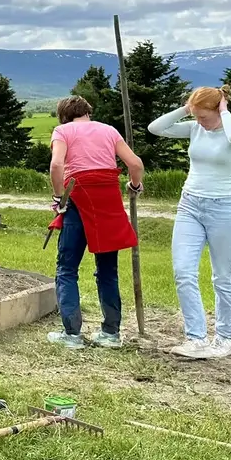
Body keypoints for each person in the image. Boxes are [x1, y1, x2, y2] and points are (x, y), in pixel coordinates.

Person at [148, 85, 231, 360]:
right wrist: (188, 108)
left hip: (223, 208)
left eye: (203, 117)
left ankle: (225, 339)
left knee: (223, 277)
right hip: (189, 205)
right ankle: (196, 338)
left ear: (218, 109)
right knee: (183, 272)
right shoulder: (195, 128)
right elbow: (155, 128)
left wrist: (223, 111)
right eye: (195, 116)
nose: (199, 122)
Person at [46, 95, 145, 350]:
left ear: (64, 115)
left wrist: (58, 196)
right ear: (87, 112)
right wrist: (134, 185)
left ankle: (72, 334)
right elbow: (135, 163)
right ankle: (111, 333)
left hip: (78, 195)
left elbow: (57, 164)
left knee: (67, 268)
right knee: (107, 270)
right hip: (108, 197)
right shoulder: (109, 130)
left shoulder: (63, 131)